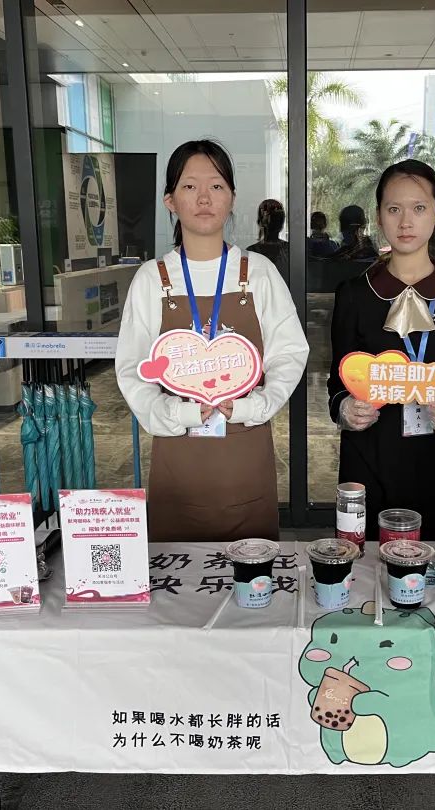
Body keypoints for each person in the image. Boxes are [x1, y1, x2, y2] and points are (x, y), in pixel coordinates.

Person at [115, 141, 309, 542]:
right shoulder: (152, 279)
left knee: (252, 570)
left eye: (216, 186)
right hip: (177, 460)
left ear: (232, 197)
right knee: (176, 570)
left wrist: (255, 404)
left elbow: (290, 352)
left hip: (245, 455)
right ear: (170, 200)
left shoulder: (258, 272)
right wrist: (176, 412)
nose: (204, 198)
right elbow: (132, 370)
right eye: (190, 186)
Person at [327, 159, 435, 545]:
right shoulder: (355, 294)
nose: (406, 222)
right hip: (367, 452)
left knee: (428, 563)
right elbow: (338, 377)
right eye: (394, 209)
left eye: (418, 208)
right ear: (379, 216)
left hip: (433, 455)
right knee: (362, 560)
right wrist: (345, 408)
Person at [247, 198, 289, 281]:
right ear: (282, 223)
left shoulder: (251, 252)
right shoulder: (290, 251)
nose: (273, 223)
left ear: (259, 222)